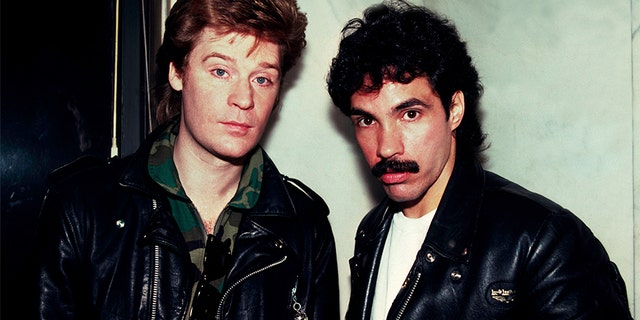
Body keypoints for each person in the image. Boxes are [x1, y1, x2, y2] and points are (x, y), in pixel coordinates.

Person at [31, 0, 340, 319]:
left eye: (261, 79)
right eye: (221, 71)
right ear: (178, 73)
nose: (244, 99)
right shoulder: (82, 208)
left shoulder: (306, 226)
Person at [326, 1, 633, 319]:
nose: (386, 147)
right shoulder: (373, 230)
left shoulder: (542, 241)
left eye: (410, 114)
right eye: (366, 120)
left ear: (454, 110)